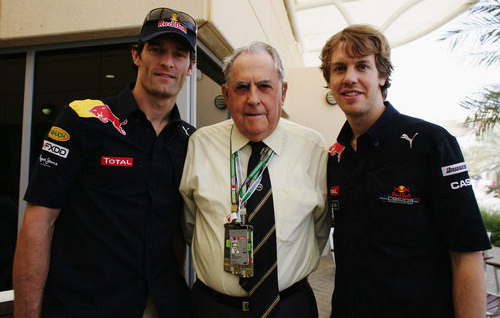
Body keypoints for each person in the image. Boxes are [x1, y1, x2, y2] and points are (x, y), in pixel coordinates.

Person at [13, 7, 197, 317]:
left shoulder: (189, 141)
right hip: (86, 306)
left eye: (179, 54)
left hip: (162, 304)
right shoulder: (84, 119)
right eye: (156, 49)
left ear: (190, 67)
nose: (167, 62)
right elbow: (38, 223)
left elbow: (175, 235)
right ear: (136, 55)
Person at [320, 24, 491, 318]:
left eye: (362, 66)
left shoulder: (431, 143)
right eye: (339, 68)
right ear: (330, 80)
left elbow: (467, 253)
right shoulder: (336, 157)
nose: (349, 78)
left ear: (382, 75)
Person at [179, 41, 330, 318]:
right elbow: (190, 223)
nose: (253, 99)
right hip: (214, 309)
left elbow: (319, 228)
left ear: (282, 92)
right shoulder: (200, 144)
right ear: (226, 93)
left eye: (264, 86)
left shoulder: (312, 148)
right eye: (241, 87)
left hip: (289, 308)